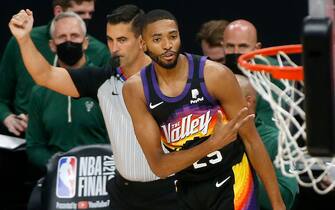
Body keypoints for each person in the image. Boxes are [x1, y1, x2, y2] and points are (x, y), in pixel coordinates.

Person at [8, 5, 185, 210]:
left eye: (122, 40)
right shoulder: (102, 80)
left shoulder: (177, 75)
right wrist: (23, 39)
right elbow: (44, 75)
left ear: (142, 41)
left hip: (172, 192)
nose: (113, 48)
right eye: (110, 39)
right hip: (124, 195)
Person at [122, 9, 285, 210]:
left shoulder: (215, 75)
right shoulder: (136, 90)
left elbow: (252, 140)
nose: (167, 45)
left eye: (173, 36)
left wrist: (277, 204)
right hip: (186, 187)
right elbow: (160, 166)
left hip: (233, 180)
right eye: (157, 39)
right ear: (143, 44)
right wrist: (212, 144)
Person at [26, 12, 109, 210]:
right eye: (62, 37)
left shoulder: (104, 84)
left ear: (86, 42)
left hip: (101, 177)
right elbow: (34, 146)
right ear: (52, 45)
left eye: (75, 36)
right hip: (59, 180)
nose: (69, 42)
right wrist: (59, 165)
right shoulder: (39, 92)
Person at [0, 0, 110, 137]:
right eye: (80, 13)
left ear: (85, 43)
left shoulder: (100, 51)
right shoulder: (23, 40)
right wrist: (6, 116)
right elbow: (2, 95)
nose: (87, 17)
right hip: (25, 137)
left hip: (86, 141)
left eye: (90, 13)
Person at [235, 74, 299, 210]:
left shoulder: (276, 140)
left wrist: (240, 174)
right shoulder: (206, 137)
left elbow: (286, 199)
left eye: (226, 99)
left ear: (249, 102)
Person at [222, 19, 279, 127]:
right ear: (223, 46)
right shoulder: (214, 75)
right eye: (230, 46)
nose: (235, 52)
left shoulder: (274, 75)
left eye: (243, 46)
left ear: (257, 49)